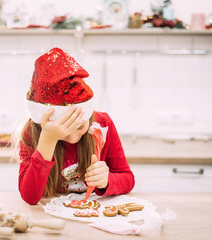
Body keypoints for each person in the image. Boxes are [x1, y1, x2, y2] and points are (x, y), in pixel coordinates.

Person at [18, 48, 135, 205]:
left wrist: (106, 180)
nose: (73, 138)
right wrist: (48, 139)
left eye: (79, 128)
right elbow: (29, 197)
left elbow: (128, 179)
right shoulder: (32, 132)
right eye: (63, 131)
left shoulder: (103, 125)